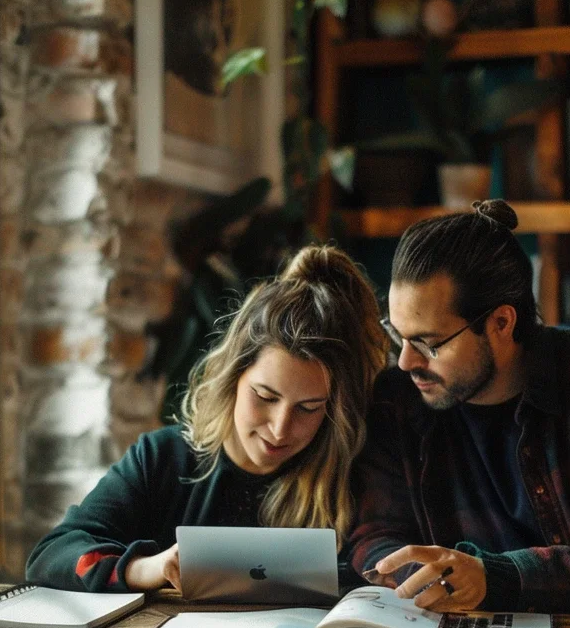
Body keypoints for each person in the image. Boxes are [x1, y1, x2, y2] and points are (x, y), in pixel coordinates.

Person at [348, 199, 570, 614]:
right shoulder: (397, 399)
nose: (407, 361)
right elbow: (374, 535)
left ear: (501, 323)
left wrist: (497, 578)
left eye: (429, 343)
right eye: (398, 335)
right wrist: (435, 581)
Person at [27, 246, 389, 592]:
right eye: (265, 397)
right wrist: (145, 567)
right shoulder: (163, 457)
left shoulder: (349, 473)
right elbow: (52, 554)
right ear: (233, 377)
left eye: (308, 408)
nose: (280, 428)